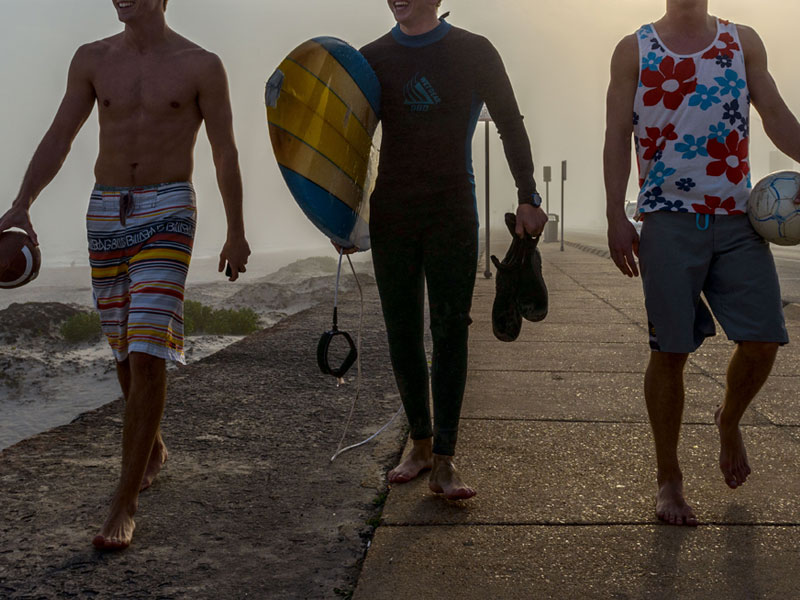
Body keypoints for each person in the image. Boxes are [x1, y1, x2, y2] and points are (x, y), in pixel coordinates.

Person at [0, 0, 250, 549]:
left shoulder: (200, 65)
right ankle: (152, 447)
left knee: (146, 350)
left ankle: (125, 500)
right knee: (120, 348)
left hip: (169, 209)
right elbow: (59, 136)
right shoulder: (92, 59)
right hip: (106, 208)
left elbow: (224, 151)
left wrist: (235, 229)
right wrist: (21, 203)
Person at [340, 0, 547, 500]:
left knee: (451, 327)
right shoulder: (372, 59)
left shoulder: (474, 51)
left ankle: (447, 461)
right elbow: (352, 143)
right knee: (403, 330)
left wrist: (527, 195)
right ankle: (419, 443)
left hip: (452, 209)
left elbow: (509, 122)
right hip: (393, 212)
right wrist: (342, 213)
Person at [604, 0, 800, 525]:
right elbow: (616, 136)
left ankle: (729, 419)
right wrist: (615, 215)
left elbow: (776, 115)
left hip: (738, 217)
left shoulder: (742, 41)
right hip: (666, 218)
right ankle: (669, 480)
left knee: (763, 340)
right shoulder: (634, 49)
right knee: (670, 351)